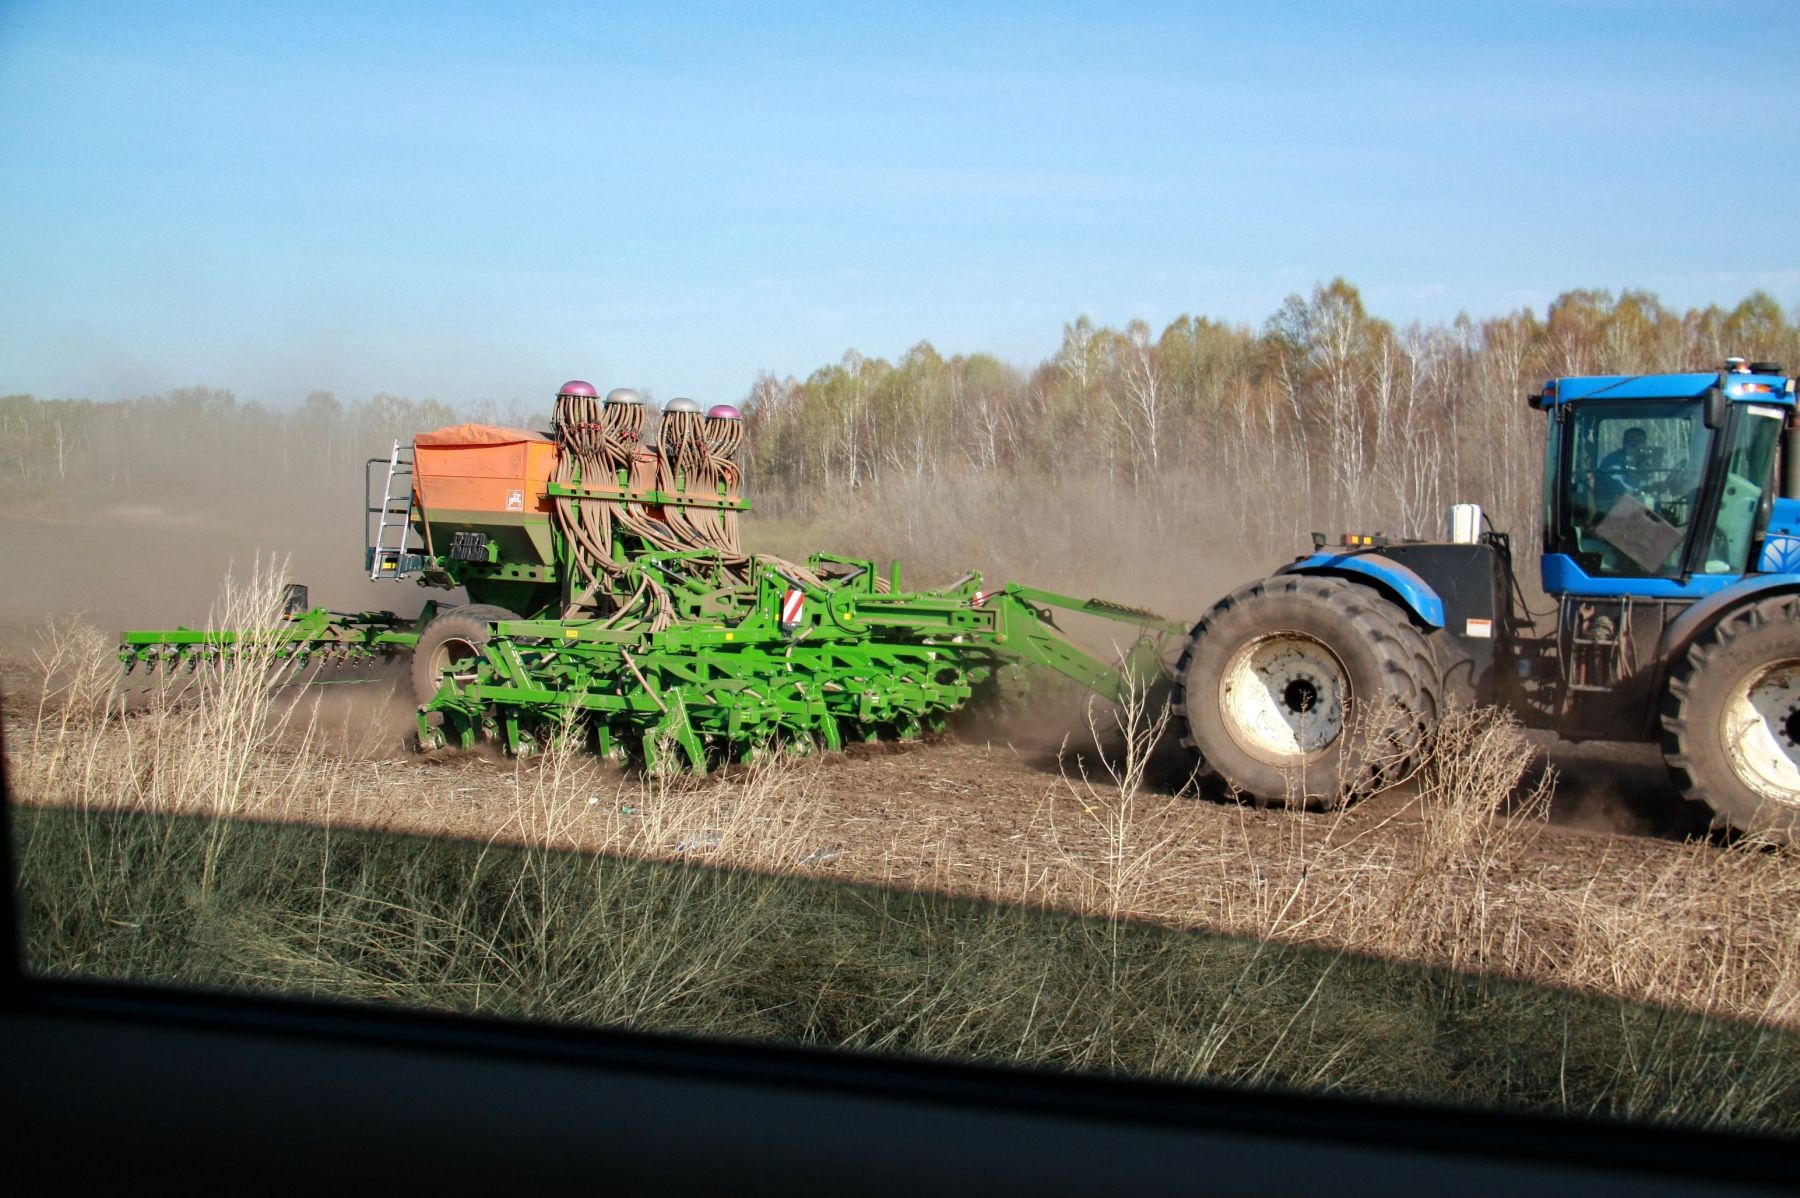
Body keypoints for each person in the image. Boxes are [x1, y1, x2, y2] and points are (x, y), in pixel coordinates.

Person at [1595, 426, 1648, 510]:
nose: (1636, 444)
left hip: (1640, 511)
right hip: (1613, 511)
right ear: (1624, 443)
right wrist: (1648, 489)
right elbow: (1618, 490)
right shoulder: (1613, 460)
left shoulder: (1646, 463)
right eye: (1632, 440)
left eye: (1640, 441)